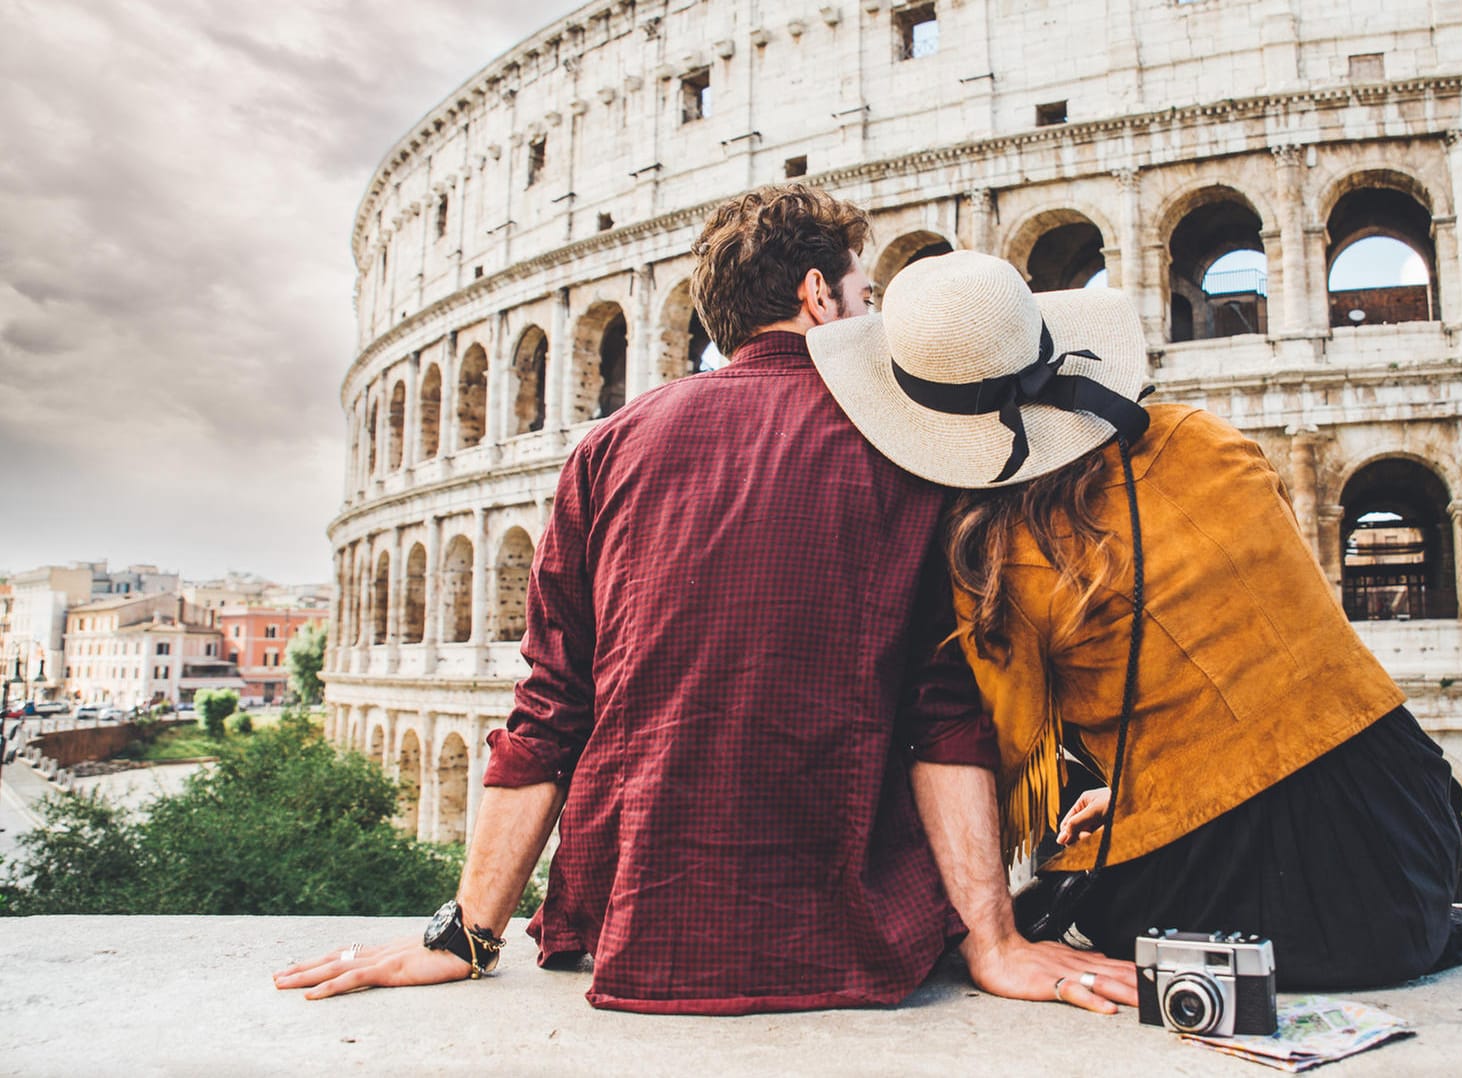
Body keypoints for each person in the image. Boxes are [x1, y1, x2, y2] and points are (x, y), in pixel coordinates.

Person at [275, 187, 1135, 1014]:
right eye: (864, 293)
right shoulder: (909, 448)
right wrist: (994, 940)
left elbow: (548, 708)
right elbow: (940, 714)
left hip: (634, 929)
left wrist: (466, 934)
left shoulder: (605, 449)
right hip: (854, 934)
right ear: (818, 297)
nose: (869, 312)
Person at [808, 251, 1461, 988]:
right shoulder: (1204, 437)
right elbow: (1256, 657)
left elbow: (1006, 753)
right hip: (1407, 844)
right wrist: (1153, 783)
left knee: (1074, 886)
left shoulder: (998, 553)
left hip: (1240, 901)